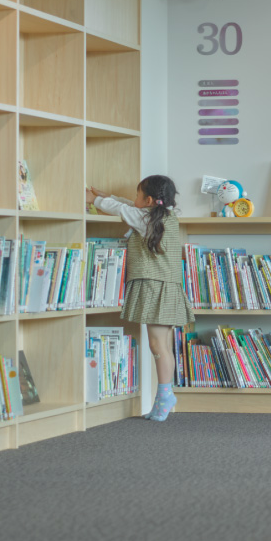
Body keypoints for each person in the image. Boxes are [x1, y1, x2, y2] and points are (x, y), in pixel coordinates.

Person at [85, 175, 189, 421]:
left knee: (157, 345)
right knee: (161, 344)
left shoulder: (146, 219)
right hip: (164, 285)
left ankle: (164, 396)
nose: (134, 200)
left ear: (150, 200)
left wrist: (96, 200)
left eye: (137, 195)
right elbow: (129, 206)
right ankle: (165, 394)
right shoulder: (164, 216)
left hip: (155, 286)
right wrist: (106, 197)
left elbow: (124, 209)